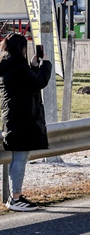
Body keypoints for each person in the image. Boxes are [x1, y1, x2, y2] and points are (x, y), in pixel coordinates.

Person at [0, 33, 53, 212]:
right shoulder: (16, 66)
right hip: (21, 119)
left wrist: (33, 65)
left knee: (18, 158)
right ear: (20, 48)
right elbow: (39, 82)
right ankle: (15, 199)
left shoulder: (10, 64)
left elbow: (27, 83)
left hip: (15, 118)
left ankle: (14, 197)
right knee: (20, 158)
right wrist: (45, 64)